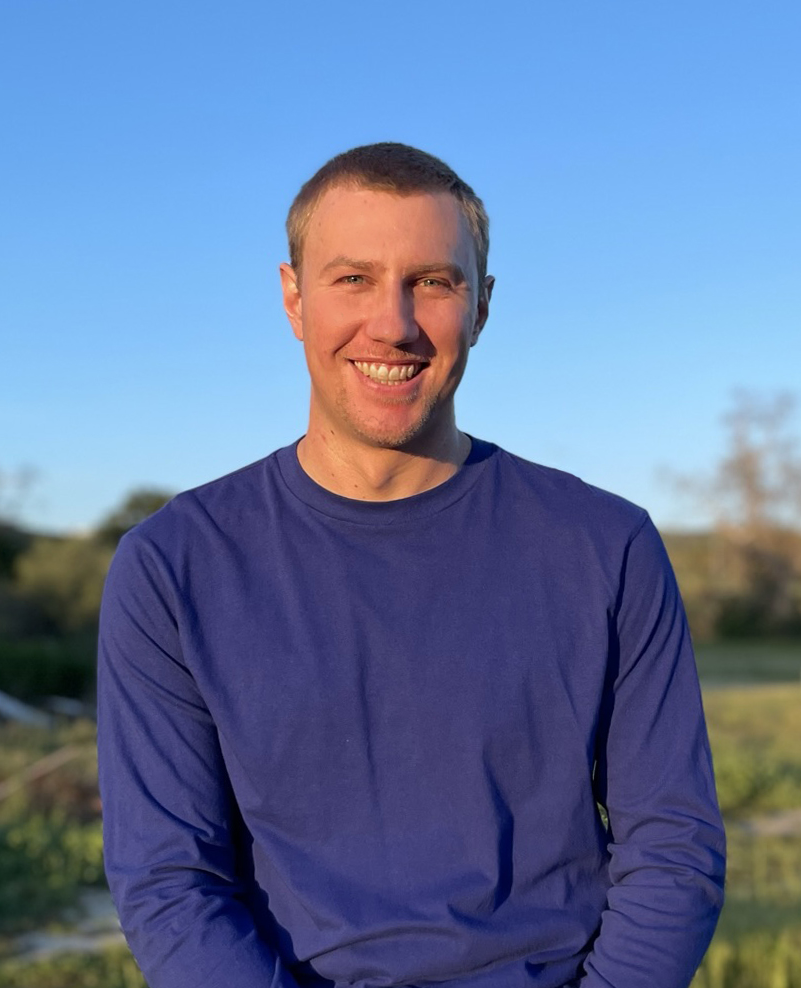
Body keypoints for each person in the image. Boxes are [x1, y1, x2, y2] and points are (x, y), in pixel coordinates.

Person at [96, 142, 725, 988]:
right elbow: (170, 882)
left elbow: (674, 850)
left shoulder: (606, 546)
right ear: (293, 297)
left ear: (483, 305)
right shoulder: (173, 566)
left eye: (433, 281)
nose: (392, 323)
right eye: (352, 278)